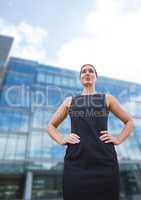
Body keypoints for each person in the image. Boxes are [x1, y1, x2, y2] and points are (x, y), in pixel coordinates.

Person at [47, 64, 134, 200]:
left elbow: (129, 121)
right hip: (76, 164)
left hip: (105, 163)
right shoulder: (70, 101)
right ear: (80, 78)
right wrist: (62, 139)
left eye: (91, 71)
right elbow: (51, 126)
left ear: (96, 77)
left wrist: (118, 139)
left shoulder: (107, 98)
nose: (87, 73)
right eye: (84, 71)